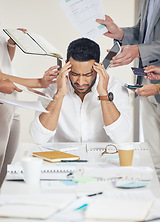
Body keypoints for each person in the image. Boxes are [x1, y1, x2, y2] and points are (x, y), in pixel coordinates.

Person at [96, 0, 160, 171]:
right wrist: (120, 33)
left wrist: (137, 51)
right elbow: (144, 33)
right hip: (147, 79)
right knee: (154, 157)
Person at [30, 38, 131, 145]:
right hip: (63, 158)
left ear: (99, 67)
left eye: (88, 74)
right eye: (75, 74)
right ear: (66, 66)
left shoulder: (116, 87)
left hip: (103, 158)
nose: (81, 82)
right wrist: (59, 95)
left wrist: (104, 95)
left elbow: (121, 137)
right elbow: (38, 138)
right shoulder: (52, 88)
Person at [0, 26, 59, 187]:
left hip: (11, 97)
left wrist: (11, 45)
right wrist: (39, 82)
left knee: (8, 162)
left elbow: (4, 61)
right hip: (2, 97)